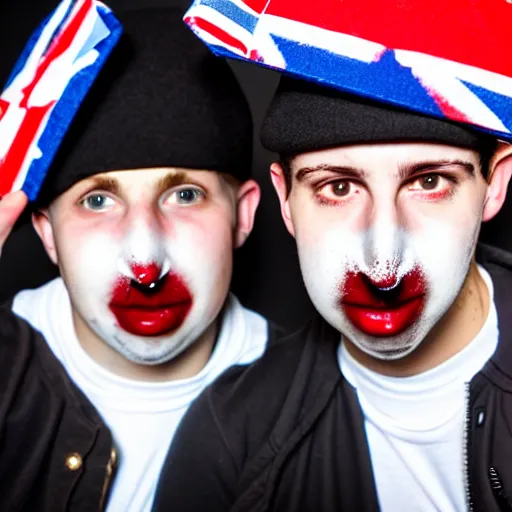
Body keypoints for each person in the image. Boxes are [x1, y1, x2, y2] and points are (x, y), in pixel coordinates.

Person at [153, 16, 512, 512]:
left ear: (494, 184)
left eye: (429, 182)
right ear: (285, 199)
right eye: (338, 188)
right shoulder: (229, 435)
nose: (383, 264)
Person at [0, 6, 272, 511]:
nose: (145, 260)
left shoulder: (318, 402)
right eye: (98, 201)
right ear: (47, 234)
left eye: (184, 195)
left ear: (243, 216)